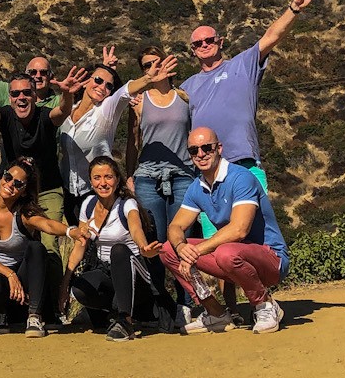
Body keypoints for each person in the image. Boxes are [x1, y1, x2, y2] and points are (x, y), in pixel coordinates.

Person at [0, 67, 88, 321]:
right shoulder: (6, 115)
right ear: (9, 97)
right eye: (15, 93)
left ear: (34, 95)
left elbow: (61, 112)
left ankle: (50, 309)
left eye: (26, 93)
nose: (21, 98)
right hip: (13, 190)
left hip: (47, 189)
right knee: (0, 245)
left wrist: (67, 96)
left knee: (48, 247)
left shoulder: (44, 116)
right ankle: (0, 308)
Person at [181, 0, 322, 195]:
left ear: (220, 42)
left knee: (256, 226)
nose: (204, 45)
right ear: (193, 50)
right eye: (198, 43)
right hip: (207, 170)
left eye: (210, 40)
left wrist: (294, 8)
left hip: (243, 163)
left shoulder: (242, 64)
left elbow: (272, 36)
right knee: (213, 230)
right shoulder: (187, 86)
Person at [160, 127, 290, 335]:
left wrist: (197, 251)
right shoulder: (197, 187)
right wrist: (181, 246)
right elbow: (176, 226)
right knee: (168, 250)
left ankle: (264, 305)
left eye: (206, 148)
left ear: (219, 148)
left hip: (270, 259)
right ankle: (216, 313)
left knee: (226, 252)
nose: (200, 154)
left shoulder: (241, 177)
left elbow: (239, 229)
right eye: (194, 150)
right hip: (232, 260)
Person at [58, 50, 177, 225]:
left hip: (98, 191)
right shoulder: (68, 113)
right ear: (85, 82)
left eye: (109, 86)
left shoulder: (106, 110)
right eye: (98, 80)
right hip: (69, 192)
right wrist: (106, 67)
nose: (102, 87)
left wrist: (148, 79)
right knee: (78, 242)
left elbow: (124, 92)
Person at [59, 157, 170, 342]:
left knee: (119, 250)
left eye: (108, 177)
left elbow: (135, 229)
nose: (103, 183)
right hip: (107, 272)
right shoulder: (87, 205)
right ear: (91, 181)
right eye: (97, 178)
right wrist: (65, 285)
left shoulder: (127, 204)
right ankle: (118, 311)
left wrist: (144, 247)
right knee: (81, 289)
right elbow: (80, 244)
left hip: (136, 274)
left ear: (117, 179)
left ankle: (125, 320)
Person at [0, 157, 85, 338]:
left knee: (37, 248)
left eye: (18, 183)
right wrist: (9, 274)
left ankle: (34, 316)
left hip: (23, 285)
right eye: (8, 177)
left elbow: (47, 225)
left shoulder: (24, 215)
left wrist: (70, 231)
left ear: (24, 191)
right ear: (1, 177)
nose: (10, 184)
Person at [125, 46, 194, 307]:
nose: (153, 67)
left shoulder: (184, 98)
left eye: (157, 62)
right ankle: (160, 304)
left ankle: (186, 302)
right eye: (146, 65)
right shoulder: (140, 101)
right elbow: (134, 141)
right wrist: (129, 176)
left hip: (183, 175)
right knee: (155, 242)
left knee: (181, 241)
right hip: (148, 177)